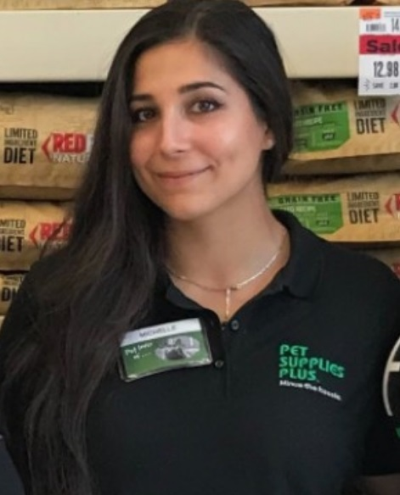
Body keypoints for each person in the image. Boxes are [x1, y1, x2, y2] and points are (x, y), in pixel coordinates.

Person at [0, 0, 400, 494]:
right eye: (144, 114)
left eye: (203, 105)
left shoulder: (363, 299)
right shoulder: (61, 298)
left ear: (268, 121)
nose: (169, 140)